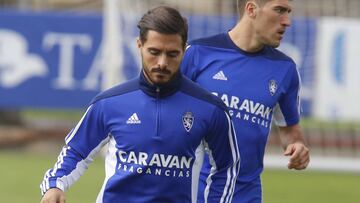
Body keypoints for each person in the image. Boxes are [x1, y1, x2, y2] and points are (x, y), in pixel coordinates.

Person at [39, 6, 240, 203]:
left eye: (172, 54)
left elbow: (227, 167)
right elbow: (76, 151)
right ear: (139, 45)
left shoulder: (210, 109)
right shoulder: (109, 103)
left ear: (184, 50)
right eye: (154, 51)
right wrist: (55, 185)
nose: (162, 62)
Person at [181, 0, 310, 202]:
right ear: (251, 9)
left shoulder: (285, 70)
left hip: (245, 195)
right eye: (279, 10)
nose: (287, 21)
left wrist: (297, 146)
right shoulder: (197, 53)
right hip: (192, 192)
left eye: (288, 12)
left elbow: (291, 132)